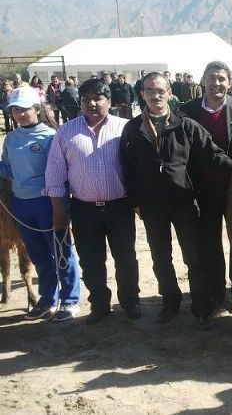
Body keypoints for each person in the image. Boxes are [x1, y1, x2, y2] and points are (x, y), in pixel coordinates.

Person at [121, 72, 232, 329]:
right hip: (151, 205)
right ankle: (170, 302)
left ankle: (201, 306)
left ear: (169, 92)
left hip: (184, 201)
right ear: (142, 94)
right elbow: (126, 169)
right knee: (161, 257)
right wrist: (135, 201)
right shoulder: (133, 129)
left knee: (194, 257)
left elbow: (212, 154)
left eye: (160, 90)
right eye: (150, 90)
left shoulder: (186, 125)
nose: (156, 95)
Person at [44, 78, 142, 325]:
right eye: (86, 98)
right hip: (83, 208)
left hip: (119, 206)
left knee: (126, 257)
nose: (92, 103)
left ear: (109, 101)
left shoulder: (125, 128)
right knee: (90, 260)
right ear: (80, 102)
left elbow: (138, 168)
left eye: (98, 98)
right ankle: (99, 305)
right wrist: (58, 209)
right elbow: (55, 173)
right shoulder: (66, 132)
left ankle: (130, 301)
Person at [0, 86, 81, 322]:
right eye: (16, 110)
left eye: (25, 109)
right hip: (20, 204)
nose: (21, 114)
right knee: (38, 254)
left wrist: (61, 206)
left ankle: (69, 300)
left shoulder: (51, 136)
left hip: (47, 202)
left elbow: (61, 172)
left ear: (37, 109)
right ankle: (48, 299)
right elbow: (7, 169)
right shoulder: (11, 139)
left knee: (61, 252)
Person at [178, 61, 232, 314]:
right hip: (202, 189)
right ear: (202, 80)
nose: (216, 83)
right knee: (209, 241)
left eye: (221, 78)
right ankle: (216, 289)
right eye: (211, 78)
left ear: (230, 81)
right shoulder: (185, 111)